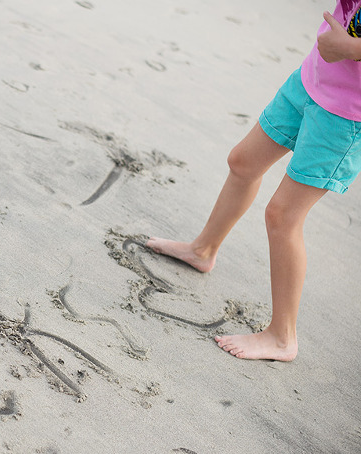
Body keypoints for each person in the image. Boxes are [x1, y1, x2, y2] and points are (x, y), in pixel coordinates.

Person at [147, 1, 361, 361]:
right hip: (311, 81)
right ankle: (203, 250)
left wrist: (351, 48)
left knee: (283, 216)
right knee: (243, 162)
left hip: (345, 118)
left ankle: (282, 337)